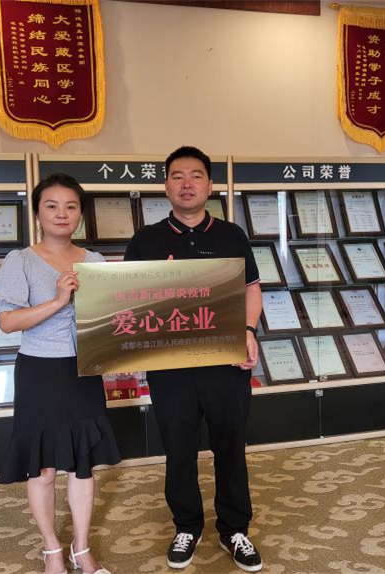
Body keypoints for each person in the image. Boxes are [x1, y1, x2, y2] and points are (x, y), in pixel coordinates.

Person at [124, 146, 263, 572]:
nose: (187, 184)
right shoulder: (145, 240)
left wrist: (248, 331)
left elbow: (251, 290)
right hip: (170, 367)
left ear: (210, 185)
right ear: (166, 185)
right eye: (178, 176)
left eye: (196, 175)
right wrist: (160, 285)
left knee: (230, 446)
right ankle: (187, 525)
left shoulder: (231, 235)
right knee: (179, 450)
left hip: (225, 362)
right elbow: (126, 302)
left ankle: (234, 529)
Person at [0, 173, 121, 574]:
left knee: (82, 464)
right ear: (37, 213)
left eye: (70, 206)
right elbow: (8, 322)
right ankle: (52, 549)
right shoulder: (21, 260)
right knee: (43, 468)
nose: (61, 213)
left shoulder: (95, 262)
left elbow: (115, 317)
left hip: (84, 370)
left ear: (80, 214)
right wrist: (59, 300)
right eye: (51, 205)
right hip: (40, 371)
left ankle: (81, 548)